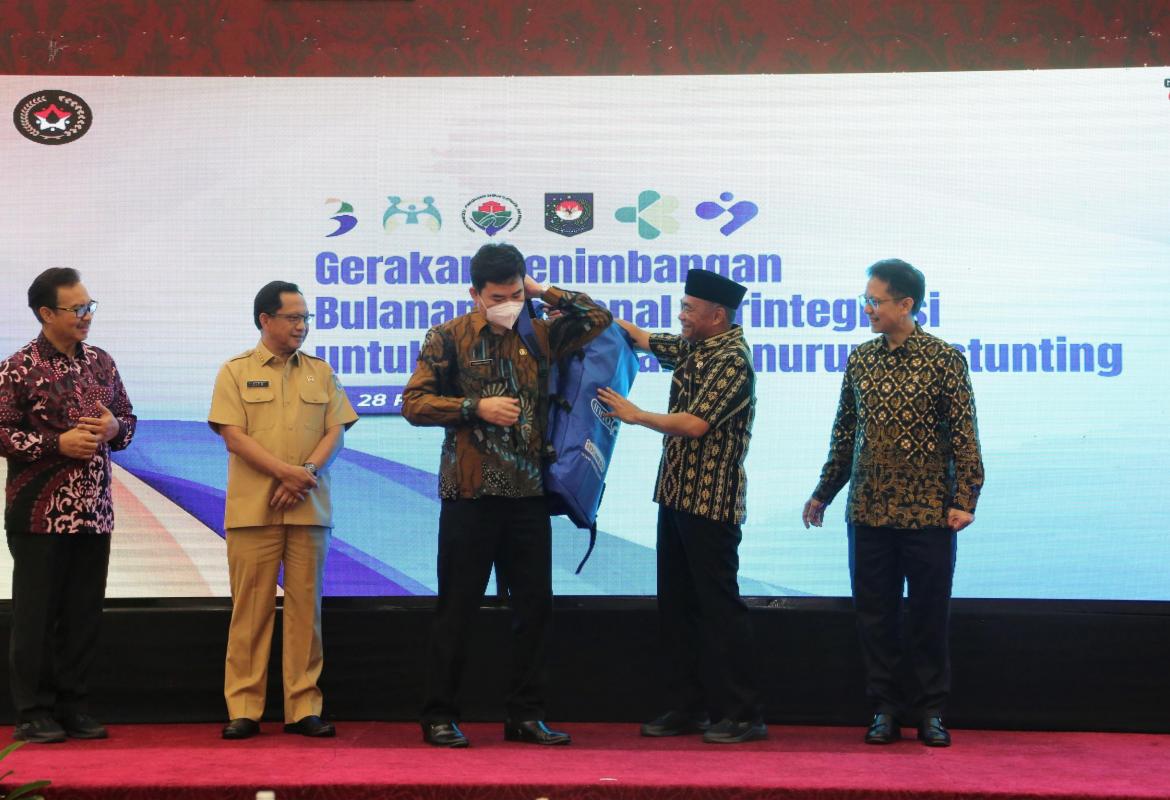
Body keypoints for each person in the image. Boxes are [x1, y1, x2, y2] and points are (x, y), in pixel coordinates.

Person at [402, 242, 612, 748]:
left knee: (535, 611)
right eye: (498, 297)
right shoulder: (448, 336)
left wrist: (542, 291)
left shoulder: (541, 331)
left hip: (528, 496)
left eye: (517, 294)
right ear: (474, 294)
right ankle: (439, 715)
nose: (509, 305)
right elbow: (414, 403)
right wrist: (474, 407)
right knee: (457, 609)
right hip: (470, 495)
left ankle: (525, 715)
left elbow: (598, 318)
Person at [802, 258, 984, 748]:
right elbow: (845, 433)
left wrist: (965, 498)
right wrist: (824, 491)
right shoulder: (861, 359)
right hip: (869, 510)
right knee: (875, 616)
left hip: (928, 513)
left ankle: (931, 712)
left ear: (905, 304)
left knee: (928, 615)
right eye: (866, 299)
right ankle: (884, 708)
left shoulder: (945, 359)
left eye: (875, 300)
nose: (867, 308)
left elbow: (964, 436)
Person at [597, 269, 765, 744]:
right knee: (676, 608)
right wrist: (551, 296)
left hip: (710, 502)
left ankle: (744, 713)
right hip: (675, 494)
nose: (681, 316)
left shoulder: (732, 360)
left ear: (718, 315)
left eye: (689, 309)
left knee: (719, 609)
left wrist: (635, 415)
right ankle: (687, 707)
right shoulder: (696, 347)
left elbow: (695, 424)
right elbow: (639, 336)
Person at [208, 281, 358, 740]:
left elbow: (336, 432)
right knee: (250, 612)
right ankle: (244, 709)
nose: (302, 326)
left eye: (305, 318)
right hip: (254, 510)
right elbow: (234, 436)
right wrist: (285, 474)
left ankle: (303, 707)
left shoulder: (320, 371)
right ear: (265, 320)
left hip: (308, 508)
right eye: (293, 317)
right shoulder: (235, 371)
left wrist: (304, 473)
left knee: (305, 612)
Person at [0, 268, 136, 743]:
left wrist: (115, 429)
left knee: (83, 614)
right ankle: (33, 711)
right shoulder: (18, 368)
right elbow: (1, 431)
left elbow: (127, 420)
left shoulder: (101, 362)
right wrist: (55, 444)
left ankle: (73, 704)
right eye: (77, 309)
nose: (86, 316)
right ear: (46, 313)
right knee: (37, 615)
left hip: (94, 510)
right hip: (38, 513)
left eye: (89, 306)